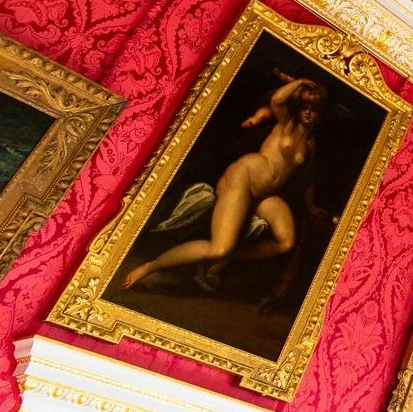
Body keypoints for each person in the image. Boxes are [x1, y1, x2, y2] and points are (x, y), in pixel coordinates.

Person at [118, 70, 327, 289]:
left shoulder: (310, 142)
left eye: (314, 109)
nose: (309, 113)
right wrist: (301, 81)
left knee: (285, 242)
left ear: (320, 112)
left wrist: (310, 207)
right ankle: (150, 266)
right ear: (298, 106)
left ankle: (229, 259)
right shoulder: (286, 122)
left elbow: (307, 179)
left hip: (267, 195)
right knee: (219, 247)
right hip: (243, 180)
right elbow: (277, 99)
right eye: (305, 107)